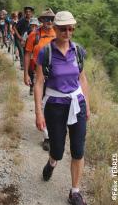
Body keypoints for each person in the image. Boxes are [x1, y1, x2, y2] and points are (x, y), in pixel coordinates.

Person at [34, 11, 90, 205]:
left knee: (78, 150)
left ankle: (74, 192)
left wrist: (87, 106)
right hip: (55, 106)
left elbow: (82, 79)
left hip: (77, 104)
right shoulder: (46, 52)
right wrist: (39, 112)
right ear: (55, 29)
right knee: (57, 150)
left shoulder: (78, 51)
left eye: (71, 28)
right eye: (63, 29)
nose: (68, 32)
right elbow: (39, 83)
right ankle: (52, 162)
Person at [24, 8, 56, 149]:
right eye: (46, 19)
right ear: (41, 20)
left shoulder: (58, 34)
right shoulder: (34, 35)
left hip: (56, 74)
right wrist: (25, 73)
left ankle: (56, 128)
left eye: (52, 19)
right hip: (40, 74)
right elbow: (27, 54)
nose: (49, 21)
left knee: (55, 103)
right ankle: (47, 137)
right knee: (42, 103)